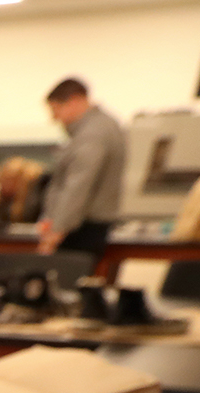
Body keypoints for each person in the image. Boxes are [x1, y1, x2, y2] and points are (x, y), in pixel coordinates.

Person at [37, 77, 126, 258]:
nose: (54, 118)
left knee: (63, 281)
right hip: (84, 223)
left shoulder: (93, 133)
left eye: (56, 110)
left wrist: (56, 230)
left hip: (81, 227)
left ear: (75, 101)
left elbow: (78, 184)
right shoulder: (104, 125)